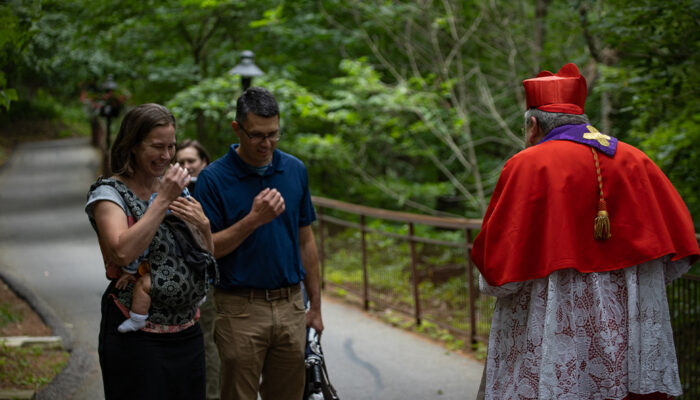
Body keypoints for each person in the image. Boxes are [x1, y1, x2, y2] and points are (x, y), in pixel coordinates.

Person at [471, 63, 700, 400]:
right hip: (627, 338)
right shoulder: (636, 160)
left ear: (533, 125)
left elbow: (499, 275)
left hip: (554, 332)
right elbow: (672, 258)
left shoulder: (528, 165)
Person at [194, 87, 324, 400]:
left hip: (291, 303)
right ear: (238, 129)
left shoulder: (294, 170)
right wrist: (254, 219)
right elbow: (207, 249)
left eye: (273, 134)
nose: (266, 144)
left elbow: (306, 241)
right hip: (240, 307)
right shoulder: (213, 179)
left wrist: (316, 307)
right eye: (256, 135)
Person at [86, 103, 216, 400]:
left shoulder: (178, 190)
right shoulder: (108, 194)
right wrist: (162, 200)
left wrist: (205, 227)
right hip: (137, 339)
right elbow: (122, 253)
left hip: (187, 331)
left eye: (171, 146)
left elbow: (205, 256)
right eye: (157, 146)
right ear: (132, 145)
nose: (167, 156)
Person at [176, 139, 221, 400]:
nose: (186, 167)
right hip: (176, 280)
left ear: (204, 162)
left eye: (191, 161)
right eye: (180, 162)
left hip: (207, 278)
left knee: (208, 340)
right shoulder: (171, 191)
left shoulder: (213, 189)